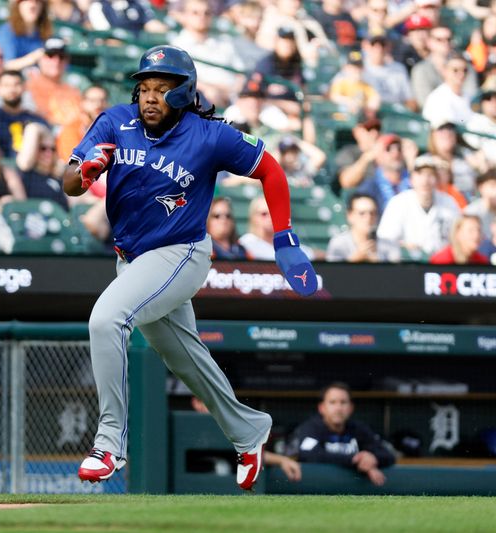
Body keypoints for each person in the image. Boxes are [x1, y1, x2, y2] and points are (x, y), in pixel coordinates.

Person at [63, 45, 317, 490]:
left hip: (182, 253)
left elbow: (271, 171)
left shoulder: (209, 135)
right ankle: (248, 429)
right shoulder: (114, 122)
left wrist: (284, 236)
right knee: (185, 358)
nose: (149, 97)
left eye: (161, 88)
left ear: (184, 93)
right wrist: (86, 170)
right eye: (144, 88)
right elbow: (69, 183)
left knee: (107, 319)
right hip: (132, 261)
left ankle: (108, 442)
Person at [288, 382, 395, 486]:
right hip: (314, 485)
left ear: (351, 408)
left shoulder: (358, 429)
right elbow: (308, 454)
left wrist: (372, 459)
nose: (338, 408)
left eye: (343, 402)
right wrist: (354, 459)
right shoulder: (311, 427)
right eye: (332, 402)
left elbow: (388, 455)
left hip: (352, 488)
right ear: (322, 408)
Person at [377, 154, 461, 258]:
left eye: (430, 174)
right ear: (411, 179)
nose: (425, 180)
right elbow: (384, 241)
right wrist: (403, 246)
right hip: (408, 266)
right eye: (420, 174)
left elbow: (460, 239)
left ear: (437, 179)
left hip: (442, 266)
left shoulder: (449, 202)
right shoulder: (398, 203)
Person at [0, 69, 46, 157]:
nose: (12, 89)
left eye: (16, 84)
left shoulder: (36, 120)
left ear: (24, 87)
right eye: (6, 85)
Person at [24, 37, 82, 128]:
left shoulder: (73, 90)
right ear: (40, 59)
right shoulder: (28, 87)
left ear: (67, 61)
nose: (56, 61)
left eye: (61, 57)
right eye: (50, 55)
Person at [326, 192, 400, 262]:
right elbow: (332, 273)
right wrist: (354, 259)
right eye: (362, 213)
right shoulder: (338, 243)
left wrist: (377, 263)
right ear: (350, 215)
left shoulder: (389, 244)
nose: (368, 218)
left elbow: (396, 273)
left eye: (372, 213)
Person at [15, 122, 68, 209]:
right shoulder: (24, 174)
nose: (48, 153)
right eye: (43, 148)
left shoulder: (59, 177)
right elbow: (33, 128)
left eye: (53, 149)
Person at [0, 0, 52, 71]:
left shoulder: (45, 32)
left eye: (37, 1)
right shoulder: (7, 31)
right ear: (18, 5)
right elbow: (6, 65)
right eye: (27, 1)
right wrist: (34, 57)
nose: (33, 5)